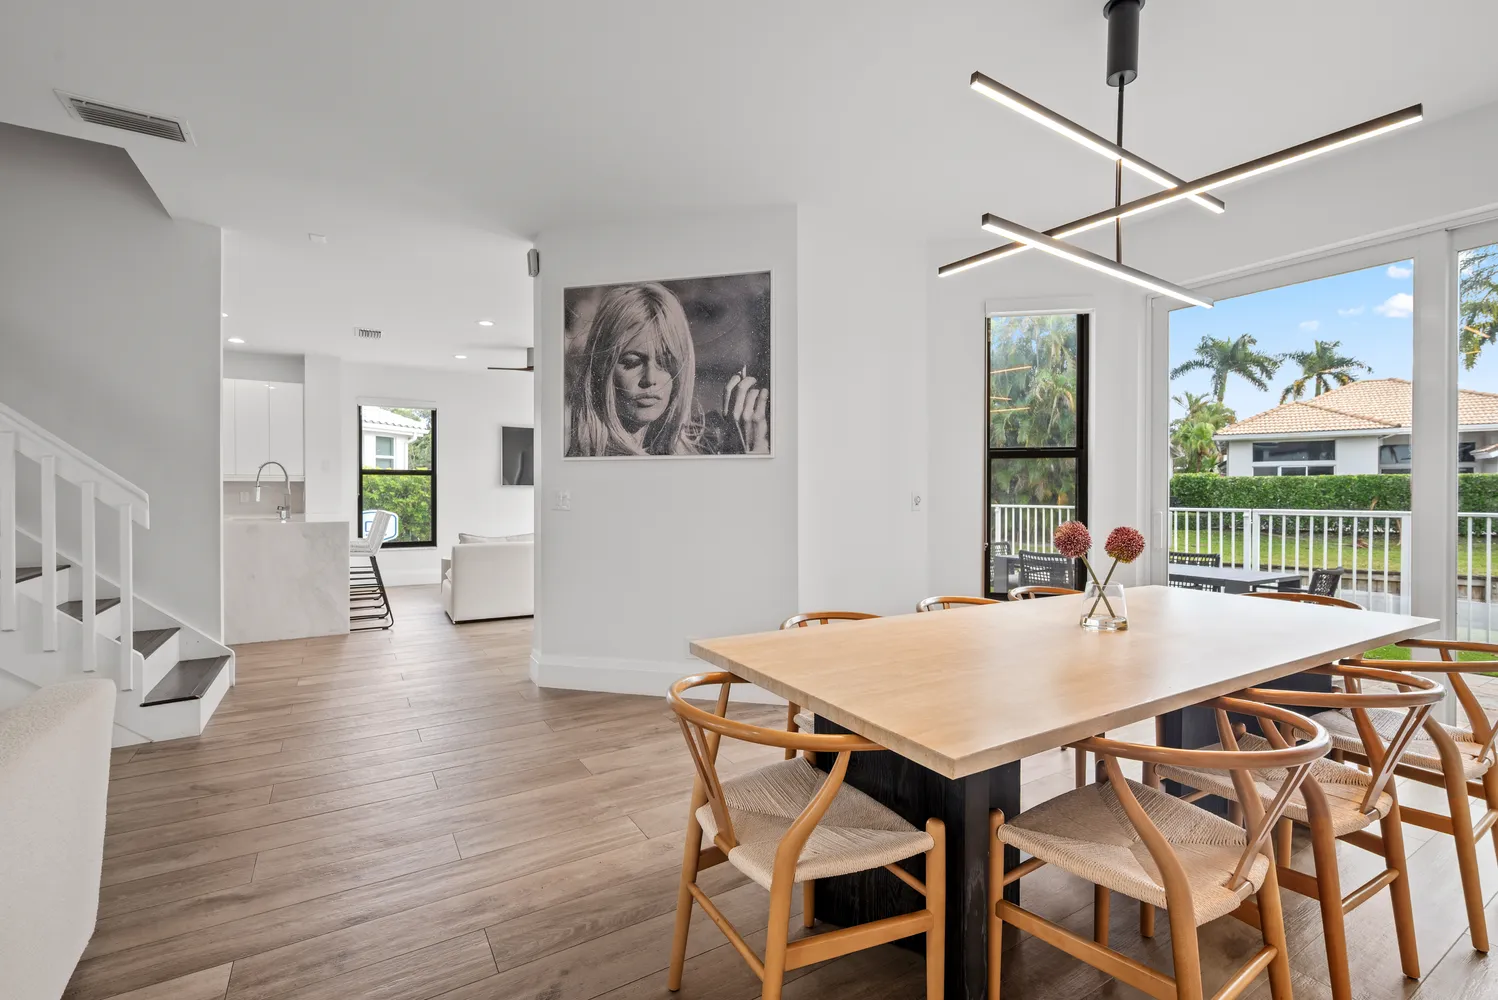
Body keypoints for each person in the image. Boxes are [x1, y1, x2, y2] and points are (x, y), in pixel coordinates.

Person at [566, 282, 769, 456]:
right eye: (632, 362)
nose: (650, 379)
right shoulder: (588, 457)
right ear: (602, 367)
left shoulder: (705, 443)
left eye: (665, 362)